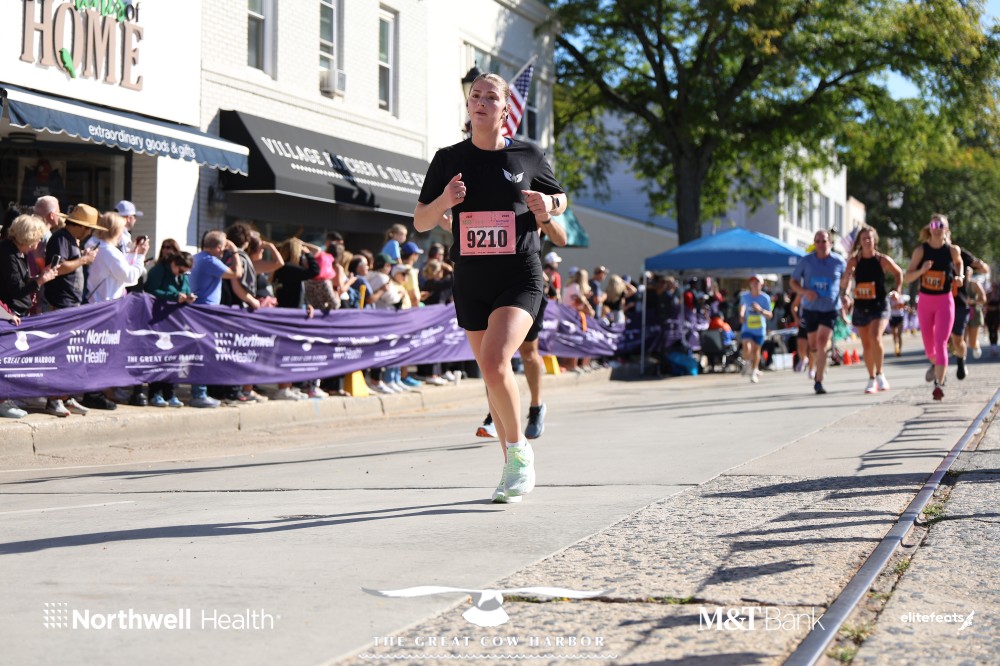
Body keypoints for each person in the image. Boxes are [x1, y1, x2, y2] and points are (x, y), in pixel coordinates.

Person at [414, 71, 567, 504]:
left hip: (520, 275)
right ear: (469, 106)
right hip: (471, 279)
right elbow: (421, 221)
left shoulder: (528, 155)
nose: (480, 102)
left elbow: (561, 200)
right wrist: (445, 201)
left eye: (490, 97)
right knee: (490, 373)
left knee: (497, 359)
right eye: (475, 96)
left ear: (505, 109)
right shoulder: (448, 159)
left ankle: (519, 452)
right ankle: (511, 467)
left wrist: (547, 203)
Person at [0, 215, 59, 416]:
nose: (39, 242)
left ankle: (9, 397)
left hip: (15, 312)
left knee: (13, 360)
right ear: (28, 236)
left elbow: (21, 281)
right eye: (38, 237)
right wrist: (40, 281)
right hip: (7, 314)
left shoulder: (19, 252)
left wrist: (39, 278)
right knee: (6, 360)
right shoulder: (7, 253)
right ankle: (3, 401)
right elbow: (16, 289)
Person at [902, 214, 964, 401]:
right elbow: (907, 277)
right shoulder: (921, 250)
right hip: (925, 302)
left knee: (941, 342)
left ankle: (939, 384)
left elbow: (959, 263)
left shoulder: (952, 250)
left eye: (940, 225)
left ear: (946, 229)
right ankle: (937, 366)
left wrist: (960, 276)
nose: (937, 228)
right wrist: (922, 271)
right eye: (934, 224)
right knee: (930, 350)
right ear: (929, 228)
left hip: (944, 301)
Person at [839, 224, 903, 394]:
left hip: (879, 305)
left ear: (875, 240)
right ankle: (871, 378)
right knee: (866, 345)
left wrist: (897, 291)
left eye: (870, 238)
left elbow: (898, 273)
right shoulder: (854, 260)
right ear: (860, 241)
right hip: (861, 305)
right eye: (864, 238)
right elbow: (846, 280)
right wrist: (845, 294)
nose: (867, 241)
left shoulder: (882, 260)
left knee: (875, 337)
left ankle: (880, 373)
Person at [188, 230, 245, 407]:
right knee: (203, 352)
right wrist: (235, 251)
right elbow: (237, 273)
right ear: (219, 247)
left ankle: (200, 392)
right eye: (224, 248)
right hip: (205, 312)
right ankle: (199, 394)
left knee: (200, 351)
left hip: (198, 310)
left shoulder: (197, 257)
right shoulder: (210, 261)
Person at [790, 229, 848, 395]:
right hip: (810, 308)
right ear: (814, 244)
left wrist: (846, 294)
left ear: (830, 243)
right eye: (818, 241)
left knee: (822, 342)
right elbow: (793, 282)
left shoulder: (838, 261)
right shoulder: (806, 261)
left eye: (824, 241)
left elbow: (846, 280)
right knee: (814, 345)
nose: (821, 244)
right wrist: (804, 292)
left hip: (830, 308)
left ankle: (819, 381)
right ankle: (820, 363)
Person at [144, 250, 196, 407]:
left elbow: (185, 289)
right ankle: (155, 393)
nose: (182, 274)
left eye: (185, 273)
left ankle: (170, 393)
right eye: (180, 271)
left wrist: (188, 297)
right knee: (159, 356)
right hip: (158, 319)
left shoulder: (182, 275)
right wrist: (173, 296)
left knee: (173, 357)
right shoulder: (159, 270)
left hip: (175, 320)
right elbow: (150, 290)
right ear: (173, 263)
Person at [739, 275, 773, 384]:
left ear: (761, 284)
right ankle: (747, 362)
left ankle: (754, 371)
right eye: (752, 282)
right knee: (747, 347)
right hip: (747, 328)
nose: (754, 284)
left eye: (757, 282)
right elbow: (742, 307)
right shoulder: (745, 296)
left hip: (759, 328)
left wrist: (760, 310)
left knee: (756, 350)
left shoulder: (765, 298)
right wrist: (741, 315)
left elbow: (770, 315)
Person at [962, 267, 988, 362]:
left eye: (968, 271)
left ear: (971, 273)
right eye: (965, 271)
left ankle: (976, 346)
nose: (966, 273)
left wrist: (972, 301)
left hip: (974, 314)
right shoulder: (958, 283)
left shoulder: (975, 284)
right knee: (962, 339)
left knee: (971, 343)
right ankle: (962, 361)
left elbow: (983, 299)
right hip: (961, 313)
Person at [888, 290, 907, 357]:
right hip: (892, 317)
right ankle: (896, 348)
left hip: (899, 317)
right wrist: (893, 306)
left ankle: (899, 350)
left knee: (899, 334)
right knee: (894, 335)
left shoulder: (901, 297)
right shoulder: (889, 299)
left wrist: (898, 304)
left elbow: (903, 305)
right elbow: (887, 307)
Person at [985, 274, 1000, 356]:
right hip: (989, 315)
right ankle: (992, 346)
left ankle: (995, 346)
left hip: (996, 315)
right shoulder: (989, 294)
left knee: (995, 330)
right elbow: (985, 304)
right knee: (990, 330)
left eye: (995, 287)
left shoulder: (999, 295)